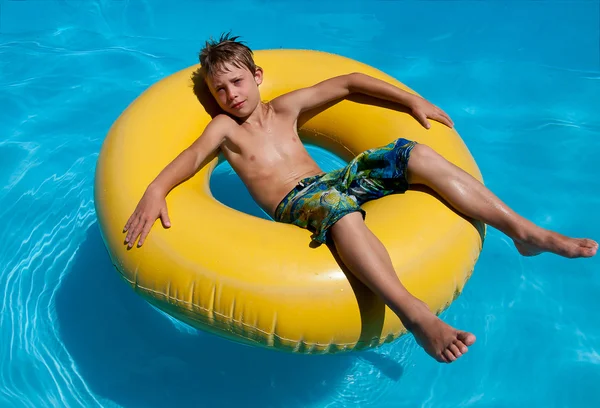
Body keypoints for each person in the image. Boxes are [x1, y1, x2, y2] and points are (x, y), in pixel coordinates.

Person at [123, 33, 597, 363]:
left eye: (237, 81)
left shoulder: (286, 108)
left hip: (335, 179)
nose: (230, 94)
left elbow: (348, 82)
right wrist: (155, 189)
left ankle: (524, 232)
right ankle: (416, 317)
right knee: (342, 214)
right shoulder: (224, 129)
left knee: (414, 154)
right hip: (299, 201)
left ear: (258, 76)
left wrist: (410, 102)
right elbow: (189, 157)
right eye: (219, 88)